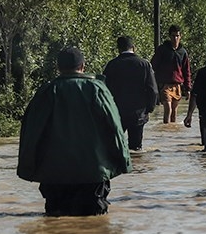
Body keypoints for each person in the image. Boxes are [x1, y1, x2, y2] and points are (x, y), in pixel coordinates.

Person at [17, 47, 132, 216]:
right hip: (93, 173)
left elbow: (31, 133)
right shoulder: (97, 90)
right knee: (95, 226)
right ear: (83, 66)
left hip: (55, 174)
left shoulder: (47, 92)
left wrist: (27, 168)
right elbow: (115, 128)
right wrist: (124, 161)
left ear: (58, 67)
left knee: (54, 224)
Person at [102, 36, 158, 152]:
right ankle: (137, 168)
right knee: (136, 150)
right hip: (138, 113)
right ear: (134, 48)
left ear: (118, 49)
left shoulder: (112, 65)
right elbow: (153, 90)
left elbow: (104, 89)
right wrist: (149, 108)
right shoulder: (144, 64)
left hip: (118, 112)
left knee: (115, 147)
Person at [151, 24, 191, 123]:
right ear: (170, 36)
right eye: (173, 36)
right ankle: (165, 130)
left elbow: (186, 71)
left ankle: (171, 132)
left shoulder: (183, 52)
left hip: (177, 85)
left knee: (174, 113)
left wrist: (188, 88)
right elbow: (153, 66)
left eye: (177, 36)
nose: (175, 38)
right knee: (168, 109)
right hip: (165, 85)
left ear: (180, 36)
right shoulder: (162, 50)